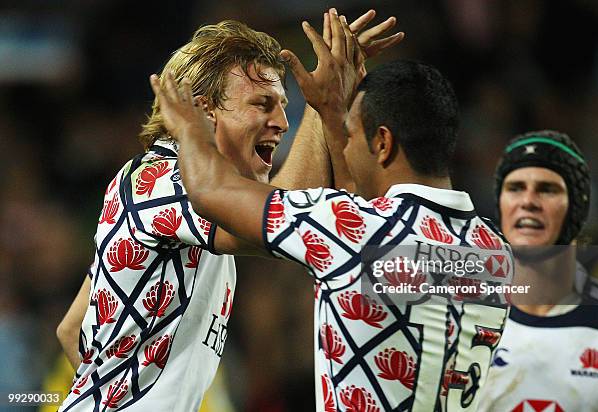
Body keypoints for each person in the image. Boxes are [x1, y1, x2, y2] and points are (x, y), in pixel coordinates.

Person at [150, 15, 512, 410]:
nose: (345, 145)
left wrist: (190, 128)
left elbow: (210, 190)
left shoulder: (353, 230)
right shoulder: (497, 251)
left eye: (351, 134)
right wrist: (330, 110)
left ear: (383, 144)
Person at [56, 11, 403, 411]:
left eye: (284, 105)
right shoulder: (163, 180)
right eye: (262, 103)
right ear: (204, 111)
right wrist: (320, 104)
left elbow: (71, 329)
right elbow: (284, 217)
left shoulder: (157, 188)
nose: (281, 122)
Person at [478, 130, 598, 412]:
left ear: (578, 209)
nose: (528, 201)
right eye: (515, 187)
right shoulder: (466, 318)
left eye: (547, 189)